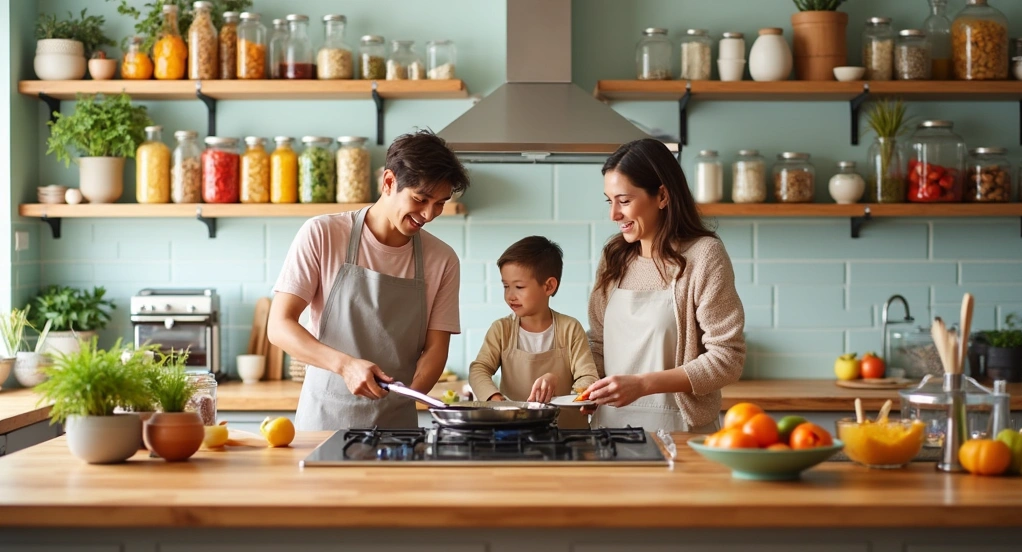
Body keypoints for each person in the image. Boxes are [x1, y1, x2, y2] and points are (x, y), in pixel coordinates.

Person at [269, 129, 470, 430]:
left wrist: (409, 393)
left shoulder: (442, 260)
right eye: (421, 199)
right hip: (323, 425)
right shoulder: (323, 234)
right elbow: (279, 326)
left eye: (439, 203)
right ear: (389, 182)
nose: (429, 214)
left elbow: (436, 348)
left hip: (397, 431)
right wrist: (346, 366)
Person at [582, 139, 745, 432]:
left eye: (625, 200)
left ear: (661, 196)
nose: (614, 215)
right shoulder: (614, 256)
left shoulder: (704, 255)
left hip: (680, 432)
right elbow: (597, 345)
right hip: (610, 429)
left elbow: (728, 358)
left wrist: (643, 384)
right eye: (610, 201)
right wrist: (583, 385)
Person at [468, 236, 599, 428]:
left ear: (549, 286)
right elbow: (478, 369)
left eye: (519, 287)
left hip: (568, 434)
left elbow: (587, 377)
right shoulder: (501, 330)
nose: (510, 296)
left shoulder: (570, 328)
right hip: (514, 432)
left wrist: (562, 381)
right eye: (506, 286)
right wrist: (496, 400)